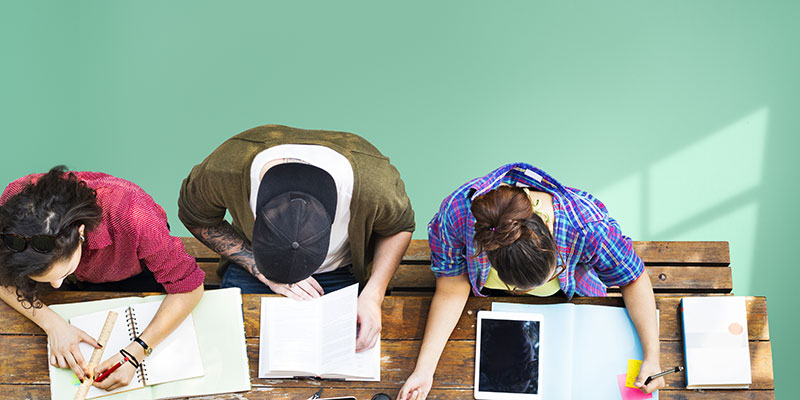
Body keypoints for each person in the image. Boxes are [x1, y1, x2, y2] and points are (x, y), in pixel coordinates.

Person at [397, 163, 664, 400]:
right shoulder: (456, 215)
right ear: (489, 255)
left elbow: (633, 279)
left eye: (554, 271)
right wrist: (423, 371)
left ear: (549, 232)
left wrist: (652, 356)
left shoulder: (587, 225)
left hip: (575, 302)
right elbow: (451, 288)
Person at [178, 124, 415, 351]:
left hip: (339, 271)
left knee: (348, 353)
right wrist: (258, 268)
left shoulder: (373, 187)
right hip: (253, 266)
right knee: (223, 350)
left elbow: (399, 227)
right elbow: (196, 216)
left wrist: (374, 294)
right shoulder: (226, 169)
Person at [0, 167, 205, 392]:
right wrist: (52, 323)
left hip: (132, 269)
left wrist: (136, 352)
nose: (56, 286)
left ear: (80, 232)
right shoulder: (15, 206)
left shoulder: (135, 216)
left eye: (62, 274)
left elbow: (189, 287)